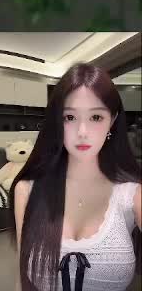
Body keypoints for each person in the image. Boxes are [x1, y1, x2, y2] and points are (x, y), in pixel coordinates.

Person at [13, 63, 142, 291]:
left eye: (96, 117)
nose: (82, 132)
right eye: (70, 117)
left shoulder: (131, 194)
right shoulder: (27, 190)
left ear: (112, 120)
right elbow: (22, 279)